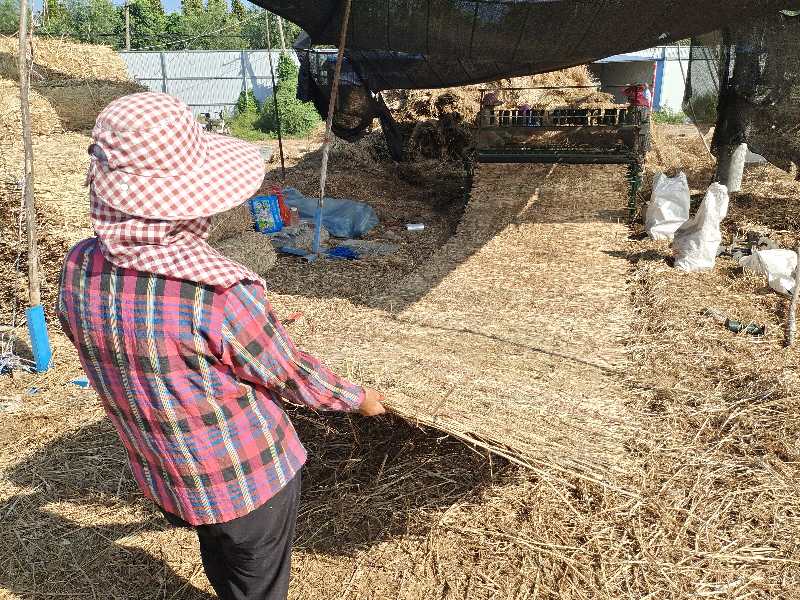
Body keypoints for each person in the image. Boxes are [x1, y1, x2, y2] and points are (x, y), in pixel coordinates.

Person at [56, 92, 386, 600]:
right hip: (245, 478)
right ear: (189, 200)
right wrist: (357, 398)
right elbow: (290, 372)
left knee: (219, 547)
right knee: (257, 581)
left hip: (167, 467)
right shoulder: (217, 294)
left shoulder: (78, 267)